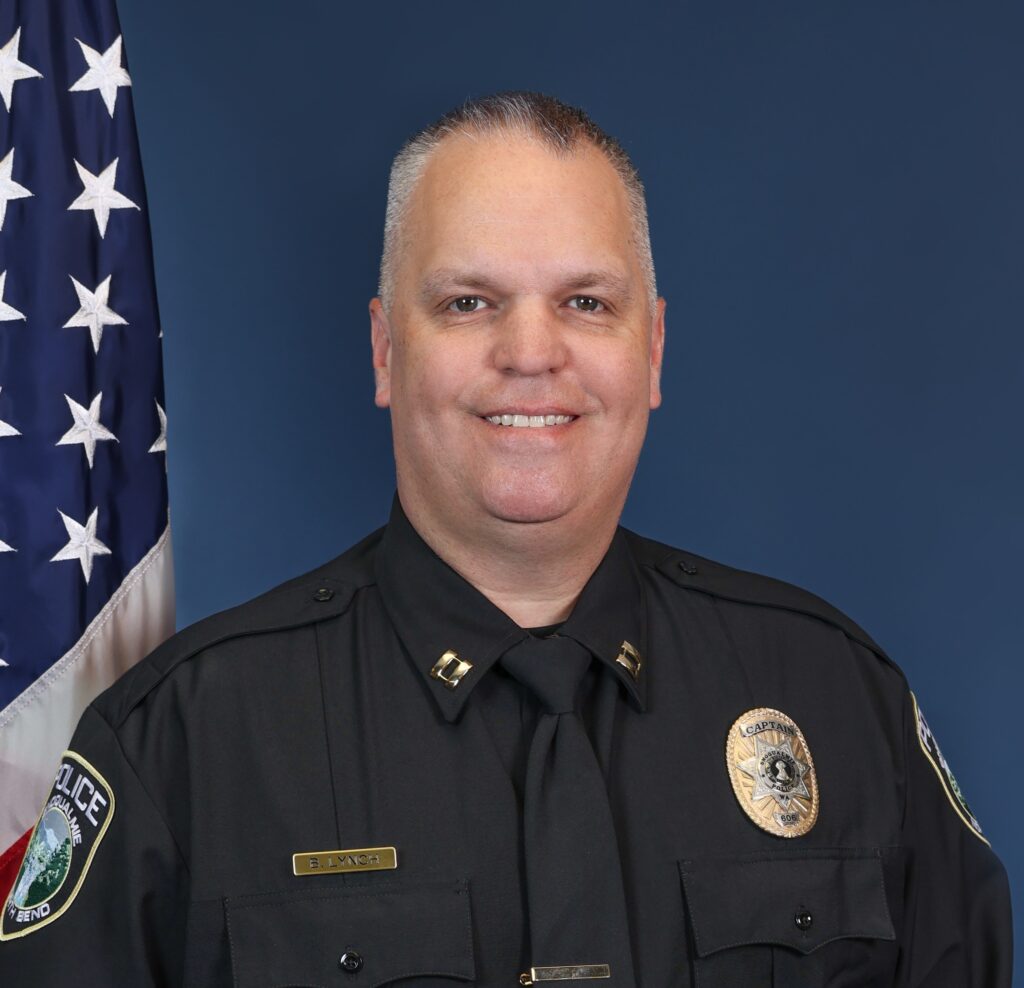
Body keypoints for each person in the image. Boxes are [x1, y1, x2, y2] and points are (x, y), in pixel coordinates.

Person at [0, 91, 1011, 987]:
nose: (531, 353)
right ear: (385, 349)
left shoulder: (840, 699)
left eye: (586, 302)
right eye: (469, 302)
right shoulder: (181, 742)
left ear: (652, 350)